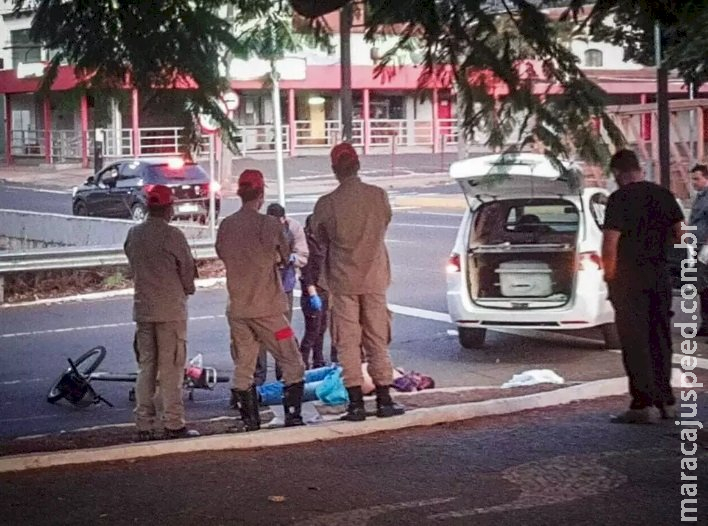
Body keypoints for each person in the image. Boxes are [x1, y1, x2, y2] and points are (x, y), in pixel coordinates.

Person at [311, 142, 405, 421]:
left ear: (334, 170)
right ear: (358, 166)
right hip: (375, 278)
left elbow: (319, 235)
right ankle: (385, 399)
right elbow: (384, 223)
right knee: (377, 338)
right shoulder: (378, 196)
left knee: (348, 342)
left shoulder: (327, 204)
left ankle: (355, 404)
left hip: (342, 281)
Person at [216, 169, 306, 431]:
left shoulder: (226, 225)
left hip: (238, 309)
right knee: (291, 359)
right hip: (269, 311)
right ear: (262, 194)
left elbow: (222, 253)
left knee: (244, 364)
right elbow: (285, 254)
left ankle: (249, 421)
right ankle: (293, 415)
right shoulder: (270, 225)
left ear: (240, 193)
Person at [601, 149, 684, 424]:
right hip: (659, 275)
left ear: (617, 173)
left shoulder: (619, 199)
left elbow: (611, 243)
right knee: (660, 336)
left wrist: (610, 278)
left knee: (635, 341)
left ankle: (643, 404)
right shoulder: (662, 194)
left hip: (629, 280)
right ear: (640, 168)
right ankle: (666, 401)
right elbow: (680, 235)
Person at [123, 184, 198, 440]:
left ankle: (143, 423)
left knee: (146, 367)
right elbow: (187, 271)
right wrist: (187, 288)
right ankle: (173, 423)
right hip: (170, 312)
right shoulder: (173, 235)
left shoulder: (134, 234)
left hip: (143, 310)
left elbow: (131, 264)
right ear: (168, 208)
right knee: (172, 368)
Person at [253, 203, 309, 384]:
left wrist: (290, 259)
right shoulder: (258, 229)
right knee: (260, 335)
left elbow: (302, 255)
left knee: (283, 332)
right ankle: (258, 378)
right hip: (263, 289)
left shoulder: (293, 228)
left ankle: (284, 374)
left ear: (283, 219)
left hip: (284, 288)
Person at [299, 213, 338, 369]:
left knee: (322, 328)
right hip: (312, 290)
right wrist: (312, 292)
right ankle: (302, 362)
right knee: (312, 331)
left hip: (325, 289)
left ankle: (318, 360)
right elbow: (306, 270)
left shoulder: (324, 243)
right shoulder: (306, 244)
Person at [689, 163, 708, 335]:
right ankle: (705, 323)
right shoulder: (700, 197)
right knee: (702, 286)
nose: (694, 182)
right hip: (698, 246)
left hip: (706, 248)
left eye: (697, 178)